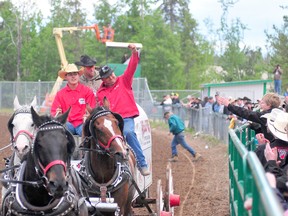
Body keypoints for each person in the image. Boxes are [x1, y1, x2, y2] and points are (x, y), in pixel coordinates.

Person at [96, 43, 150, 176]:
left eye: (112, 74)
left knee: (129, 133)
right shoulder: (100, 92)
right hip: (111, 121)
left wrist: (134, 53)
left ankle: (142, 164)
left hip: (126, 118)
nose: (111, 77)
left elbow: (132, 67)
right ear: (103, 80)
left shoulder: (124, 81)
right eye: (108, 76)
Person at [51, 64, 96, 136]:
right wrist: (58, 115)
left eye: (75, 74)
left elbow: (92, 109)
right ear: (66, 77)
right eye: (70, 74)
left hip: (82, 123)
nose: (73, 76)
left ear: (78, 76)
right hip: (67, 124)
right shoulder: (60, 94)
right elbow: (54, 112)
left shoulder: (87, 91)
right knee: (59, 132)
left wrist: (88, 116)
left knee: (89, 133)